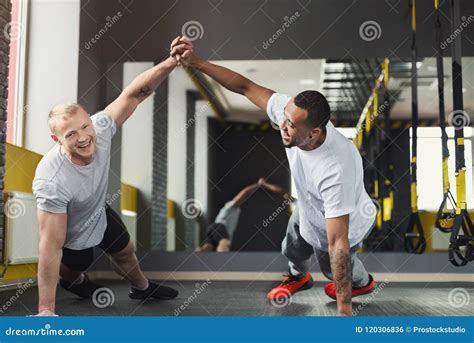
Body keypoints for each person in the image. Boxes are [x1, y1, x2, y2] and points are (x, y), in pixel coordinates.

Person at [170, 37, 376, 316]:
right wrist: (196, 62)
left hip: (346, 222)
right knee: (292, 244)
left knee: (335, 266)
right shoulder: (290, 116)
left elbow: (337, 243)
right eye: (284, 118)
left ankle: (362, 283)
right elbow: (244, 86)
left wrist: (344, 309)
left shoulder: (336, 168)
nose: (282, 126)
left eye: (291, 125)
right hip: (309, 206)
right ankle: (299, 276)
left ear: (314, 133)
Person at [32, 41, 192, 316]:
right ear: (56, 139)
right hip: (70, 225)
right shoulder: (51, 179)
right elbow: (50, 247)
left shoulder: (101, 127)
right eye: (70, 134)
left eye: (84, 126)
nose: (83, 137)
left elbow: (133, 94)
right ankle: (72, 281)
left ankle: (141, 287)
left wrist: (170, 62)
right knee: (75, 266)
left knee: (124, 249)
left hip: (96, 210)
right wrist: (46, 311)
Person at [197, 178, 293, 252]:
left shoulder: (232, 209)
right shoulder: (230, 206)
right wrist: (258, 185)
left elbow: (283, 193)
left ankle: (196, 255)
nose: (244, 199)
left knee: (207, 247)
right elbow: (244, 193)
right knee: (224, 243)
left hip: (214, 228)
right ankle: (222, 265)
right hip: (219, 226)